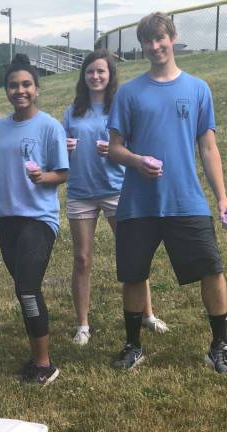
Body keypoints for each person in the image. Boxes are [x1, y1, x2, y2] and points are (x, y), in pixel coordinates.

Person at [108, 12, 227, 371]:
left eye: (160, 38)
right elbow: (114, 148)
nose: (155, 46)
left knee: (213, 270)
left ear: (173, 37)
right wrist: (136, 160)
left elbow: (208, 148)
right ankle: (133, 345)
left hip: (185, 200)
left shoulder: (197, 89)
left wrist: (221, 196)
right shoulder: (129, 93)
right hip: (138, 204)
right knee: (133, 274)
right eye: (148, 41)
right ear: (141, 45)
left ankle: (219, 346)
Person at [0, 54, 69, 386]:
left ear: (36, 89)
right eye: (13, 85)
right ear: (6, 90)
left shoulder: (50, 126)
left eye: (26, 84)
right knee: (22, 287)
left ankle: (44, 364)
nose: (19, 90)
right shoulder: (0, 127)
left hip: (39, 219)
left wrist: (43, 177)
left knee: (27, 288)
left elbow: (62, 173)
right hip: (8, 219)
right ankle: (37, 355)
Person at [62, 49, 168, 346]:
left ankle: (147, 314)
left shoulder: (121, 107)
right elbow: (57, 155)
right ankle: (83, 325)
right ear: (83, 76)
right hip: (81, 192)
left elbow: (133, 147)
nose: (95, 76)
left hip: (117, 191)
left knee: (134, 255)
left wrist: (115, 151)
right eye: (90, 72)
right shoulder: (72, 111)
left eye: (101, 71)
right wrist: (65, 148)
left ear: (110, 76)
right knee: (82, 259)